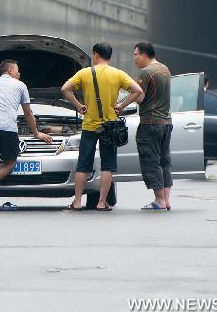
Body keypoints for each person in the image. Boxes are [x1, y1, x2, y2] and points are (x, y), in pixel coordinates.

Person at [61, 42, 143, 211]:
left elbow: (65, 89)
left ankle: (77, 202)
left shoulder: (84, 73)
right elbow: (137, 91)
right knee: (107, 165)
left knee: (83, 165)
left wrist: (78, 105)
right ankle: (101, 202)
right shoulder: (118, 74)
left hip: (89, 126)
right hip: (110, 127)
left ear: (96, 55)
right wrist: (121, 105)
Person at [0, 60, 52, 211]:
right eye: (17, 70)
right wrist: (36, 133)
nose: (19, 73)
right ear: (9, 70)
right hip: (7, 128)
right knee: (10, 163)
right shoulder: (20, 86)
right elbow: (28, 112)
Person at [132, 42, 173, 211]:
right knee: (164, 161)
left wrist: (131, 89)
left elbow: (140, 98)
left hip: (150, 123)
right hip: (166, 123)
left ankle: (159, 200)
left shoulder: (147, 72)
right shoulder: (165, 69)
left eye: (135, 55)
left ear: (144, 55)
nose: (134, 59)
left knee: (151, 161)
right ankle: (166, 200)